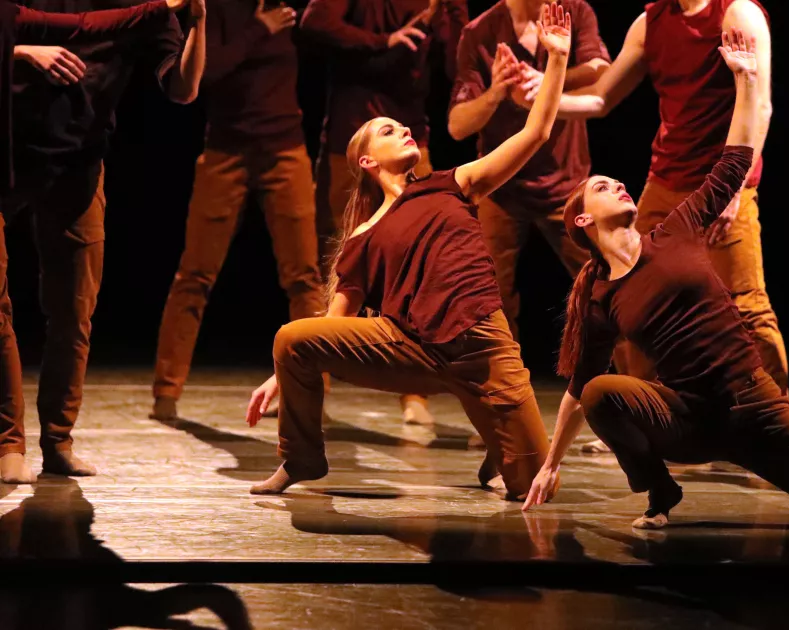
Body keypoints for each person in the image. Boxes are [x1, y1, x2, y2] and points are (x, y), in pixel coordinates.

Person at [521, 29, 789, 531]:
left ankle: (782, 466)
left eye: (617, 181)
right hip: (688, 418)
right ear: (583, 221)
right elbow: (579, 387)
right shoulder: (602, 294)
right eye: (604, 187)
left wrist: (745, 81)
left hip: (753, 403)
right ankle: (660, 490)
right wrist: (551, 463)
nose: (620, 185)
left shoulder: (675, 231)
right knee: (602, 392)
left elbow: (732, 163)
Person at [244, 2, 572, 499]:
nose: (402, 128)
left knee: (529, 486)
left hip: (483, 344)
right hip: (409, 347)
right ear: (367, 161)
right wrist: (282, 374)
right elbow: (335, 326)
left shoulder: (454, 182)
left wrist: (558, 60)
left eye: (403, 126)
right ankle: (301, 460)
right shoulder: (362, 235)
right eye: (387, 130)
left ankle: (498, 450)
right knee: (293, 337)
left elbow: (537, 132)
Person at [538, 0, 786, 403]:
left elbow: (761, 104)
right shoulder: (649, 22)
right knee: (631, 291)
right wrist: (536, 97)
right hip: (667, 179)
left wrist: (736, 189)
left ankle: (776, 419)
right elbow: (601, 98)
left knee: (746, 308)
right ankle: (643, 409)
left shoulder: (737, 12)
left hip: (723, 181)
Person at [0, 0, 206, 485]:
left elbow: (182, 89)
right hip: (6, 154)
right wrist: (21, 51)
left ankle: (58, 441)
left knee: (75, 309)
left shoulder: (142, 7)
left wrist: (197, 18)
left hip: (79, 160)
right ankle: (9, 443)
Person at [149, 0, 323, 423]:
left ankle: (310, 389)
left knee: (304, 276)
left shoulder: (289, 7)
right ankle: (166, 392)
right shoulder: (216, 8)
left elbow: (328, 32)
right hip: (225, 152)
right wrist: (259, 29)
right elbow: (203, 75)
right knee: (194, 274)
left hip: (285, 149)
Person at [301, 0, 468, 427]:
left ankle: (414, 391)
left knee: (417, 270)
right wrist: (384, 40)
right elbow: (315, 23)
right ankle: (308, 382)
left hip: (413, 141)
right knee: (338, 266)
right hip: (351, 141)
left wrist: (451, 14)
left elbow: (455, 68)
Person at [447, 0, 609, 343]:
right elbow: (457, 126)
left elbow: (601, 71)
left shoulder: (574, 11)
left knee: (608, 286)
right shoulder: (479, 32)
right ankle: (502, 390)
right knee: (489, 301)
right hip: (501, 190)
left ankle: (630, 386)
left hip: (566, 184)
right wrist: (496, 92)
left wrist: (550, 75)